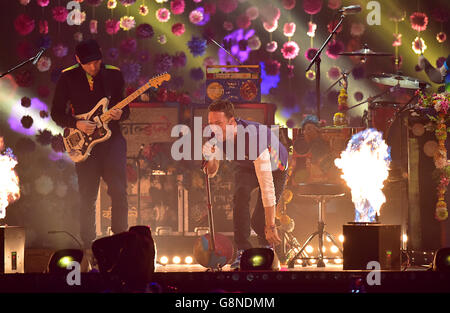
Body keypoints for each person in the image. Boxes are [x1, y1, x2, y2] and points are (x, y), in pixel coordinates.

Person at [51, 39, 130, 248]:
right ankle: (89, 245)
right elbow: (56, 113)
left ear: (101, 55)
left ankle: (120, 240)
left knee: (119, 191)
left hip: (112, 142)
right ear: (78, 60)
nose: (93, 67)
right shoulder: (68, 77)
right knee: (88, 195)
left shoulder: (114, 73)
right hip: (85, 144)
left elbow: (125, 108)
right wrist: (76, 123)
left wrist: (120, 114)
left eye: (96, 61)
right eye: (88, 63)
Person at [202, 99, 288, 269]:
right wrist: (210, 156)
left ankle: (269, 250)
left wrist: (270, 225)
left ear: (232, 122)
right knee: (240, 194)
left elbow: (267, 187)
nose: (214, 128)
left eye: (218, 123)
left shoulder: (254, 138)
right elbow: (211, 171)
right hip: (246, 165)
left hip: (274, 167)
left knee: (259, 219)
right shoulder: (216, 135)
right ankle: (242, 251)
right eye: (211, 124)